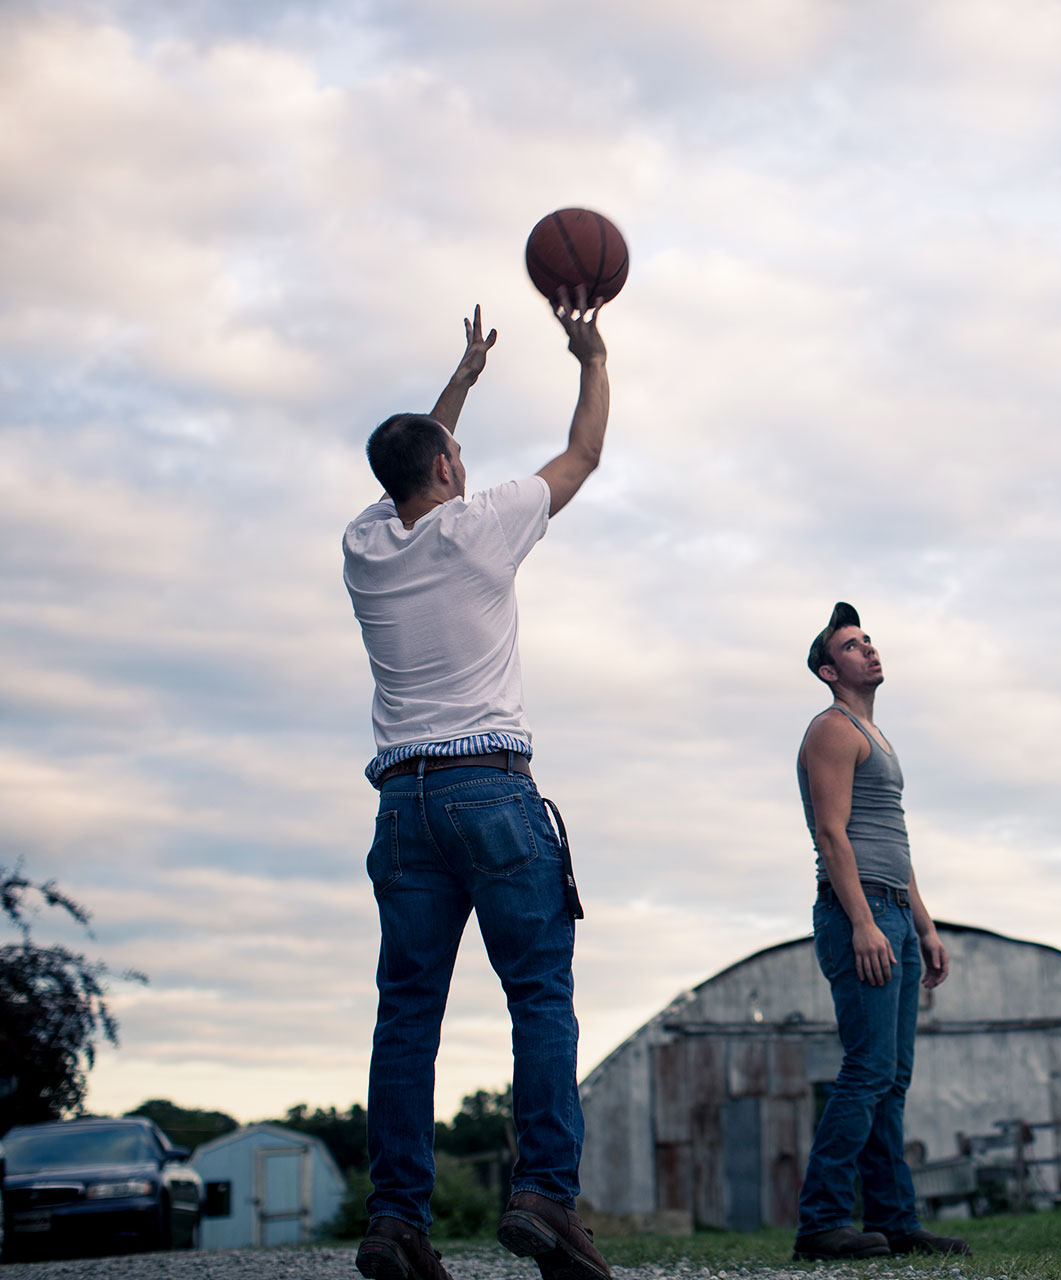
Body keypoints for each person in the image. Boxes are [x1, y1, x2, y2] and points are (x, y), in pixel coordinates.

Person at [343, 292, 614, 1280]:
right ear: (451, 471)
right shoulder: (483, 525)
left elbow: (413, 456)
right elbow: (581, 454)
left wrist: (458, 381)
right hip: (489, 792)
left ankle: (396, 1221)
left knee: (405, 1013)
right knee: (539, 995)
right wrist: (591, 356)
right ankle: (544, 1193)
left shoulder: (364, 546)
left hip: (402, 806)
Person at [790, 603, 970, 1261]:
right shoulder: (832, 730)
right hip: (858, 913)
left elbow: (894, 844)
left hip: (893, 910)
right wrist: (864, 922)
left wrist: (925, 927)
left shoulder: (878, 738)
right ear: (827, 668)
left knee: (890, 1077)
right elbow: (832, 835)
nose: (868, 648)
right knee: (866, 1071)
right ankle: (822, 1222)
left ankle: (894, 1220)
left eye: (868, 639)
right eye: (851, 644)